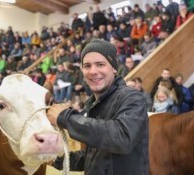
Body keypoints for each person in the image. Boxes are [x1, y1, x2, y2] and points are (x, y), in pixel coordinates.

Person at [47, 39, 149, 175]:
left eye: (100, 64)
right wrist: (57, 160)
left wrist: (65, 117)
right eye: (87, 66)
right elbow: (95, 157)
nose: (93, 71)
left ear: (114, 68)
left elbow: (121, 138)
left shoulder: (132, 98)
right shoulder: (94, 104)